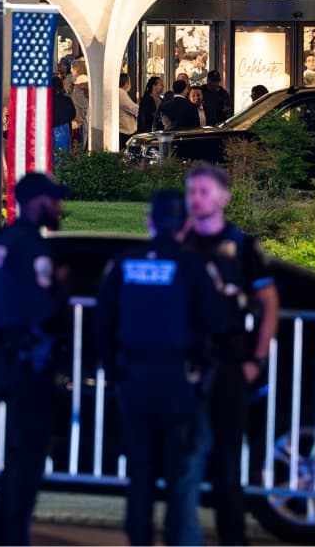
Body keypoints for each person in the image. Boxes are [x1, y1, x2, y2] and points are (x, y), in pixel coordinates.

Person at [97, 189, 229, 547]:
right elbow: (217, 322)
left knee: (140, 476)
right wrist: (202, 367)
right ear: (184, 225)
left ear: (150, 222)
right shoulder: (192, 266)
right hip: (177, 382)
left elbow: (103, 323)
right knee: (179, 478)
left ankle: (139, 540)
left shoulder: (124, 262)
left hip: (135, 380)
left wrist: (116, 371)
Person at [185, 162, 282, 544]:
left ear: (224, 198)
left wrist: (255, 359)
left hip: (228, 363)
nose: (196, 200)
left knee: (226, 467)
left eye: (204, 192)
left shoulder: (242, 246)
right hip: (186, 364)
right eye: (192, 192)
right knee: (185, 465)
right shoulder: (181, 242)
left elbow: (268, 304)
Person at [0, 172, 70, 545]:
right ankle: (13, 535)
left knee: (17, 454)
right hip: (31, 361)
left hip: (3, 360)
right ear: (36, 203)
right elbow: (41, 308)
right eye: (54, 200)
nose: (59, 207)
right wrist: (62, 286)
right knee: (28, 459)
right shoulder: (33, 248)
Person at [50, 78, 78, 156]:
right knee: (63, 157)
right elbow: (73, 114)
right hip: (64, 132)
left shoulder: (47, 101)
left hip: (48, 132)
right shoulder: (67, 100)